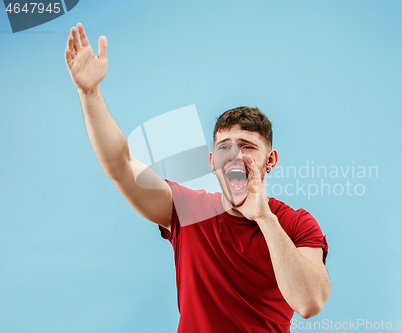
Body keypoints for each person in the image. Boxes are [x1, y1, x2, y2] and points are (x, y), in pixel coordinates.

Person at [64, 23, 331, 332]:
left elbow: (310, 303)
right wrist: (90, 93)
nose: (235, 156)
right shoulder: (186, 210)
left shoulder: (296, 223)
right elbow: (120, 165)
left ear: (270, 160)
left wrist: (264, 218)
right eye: (224, 147)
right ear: (212, 161)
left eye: (247, 147)